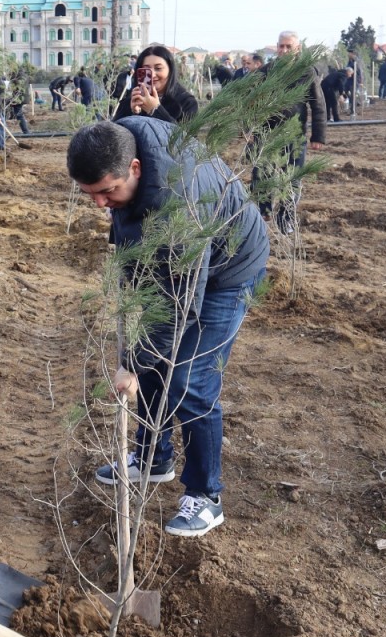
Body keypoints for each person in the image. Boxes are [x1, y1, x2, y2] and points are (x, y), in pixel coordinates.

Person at [68, 119, 268, 538]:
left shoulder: (178, 202)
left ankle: (206, 496)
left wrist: (131, 364)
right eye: (90, 194)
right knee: (153, 364)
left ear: (135, 168)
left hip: (229, 269)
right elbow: (130, 223)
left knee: (190, 381)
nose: (100, 204)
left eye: (107, 192)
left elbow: (181, 308)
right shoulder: (121, 139)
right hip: (186, 261)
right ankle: (153, 459)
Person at [254, 32, 325, 234]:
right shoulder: (266, 72)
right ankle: (262, 214)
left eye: (288, 47)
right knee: (261, 174)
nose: (284, 50)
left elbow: (318, 105)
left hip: (294, 135)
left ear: (297, 49)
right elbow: (251, 101)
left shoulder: (306, 72)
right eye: (281, 46)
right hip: (267, 134)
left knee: (292, 178)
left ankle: (285, 219)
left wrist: (318, 136)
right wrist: (249, 129)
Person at [112, 44, 199, 124]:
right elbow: (113, 132)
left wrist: (155, 110)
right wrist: (133, 113)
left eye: (158, 68)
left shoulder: (186, 102)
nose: (152, 75)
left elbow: (184, 135)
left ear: (170, 70)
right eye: (146, 70)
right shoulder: (131, 101)